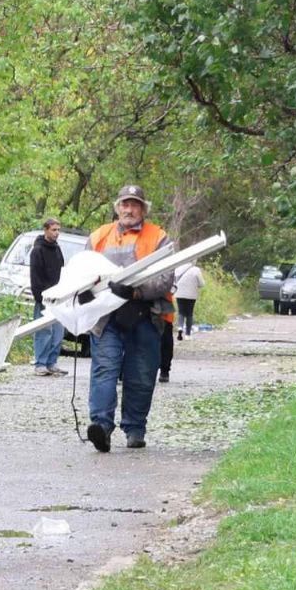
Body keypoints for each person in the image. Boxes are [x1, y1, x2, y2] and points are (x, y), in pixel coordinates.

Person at [84, 185, 175, 451]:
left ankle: (135, 428)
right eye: (125, 204)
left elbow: (165, 278)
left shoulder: (159, 237)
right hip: (106, 317)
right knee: (104, 370)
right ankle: (100, 426)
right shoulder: (99, 236)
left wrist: (136, 291)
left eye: (135, 204)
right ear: (117, 207)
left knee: (142, 374)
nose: (129, 209)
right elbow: (81, 271)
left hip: (147, 316)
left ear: (143, 209)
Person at [29, 218, 67, 376]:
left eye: (58, 230)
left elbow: (62, 271)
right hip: (44, 297)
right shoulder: (37, 250)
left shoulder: (57, 249)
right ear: (45, 230)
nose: (56, 233)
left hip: (59, 297)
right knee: (44, 331)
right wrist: (40, 297)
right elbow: (35, 277)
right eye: (54, 229)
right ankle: (40, 363)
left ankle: (52, 362)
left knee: (58, 331)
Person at [173, 261, 205, 339]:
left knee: (181, 312)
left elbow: (174, 281)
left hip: (179, 293)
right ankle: (187, 335)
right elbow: (202, 284)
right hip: (191, 295)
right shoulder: (196, 270)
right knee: (189, 314)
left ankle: (180, 327)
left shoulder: (178, 268)